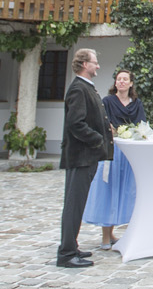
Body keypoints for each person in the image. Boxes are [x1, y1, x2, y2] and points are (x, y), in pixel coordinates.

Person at [57, 48, 110, 268]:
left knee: (77, 204)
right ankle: (66, 253)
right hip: (81, 156)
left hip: (87, 156)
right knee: (73, 205)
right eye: (95, 62)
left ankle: (72, 245)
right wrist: (98, 139)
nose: (98, 66)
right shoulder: (79, 89)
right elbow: (75, 123)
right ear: (84, 64)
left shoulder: (85, 87)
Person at [83, 68, 143, 250]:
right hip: (111, 150)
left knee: (124, 191)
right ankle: (105, 236)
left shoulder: (137, 104)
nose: (122, 82)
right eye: (119, 79)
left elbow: (141, 124)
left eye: (125, 79)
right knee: (108, 190)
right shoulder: (107, 102)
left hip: (129, 152)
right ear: (115, 83)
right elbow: (101, 122)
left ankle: (117, 233)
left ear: (131, 83)